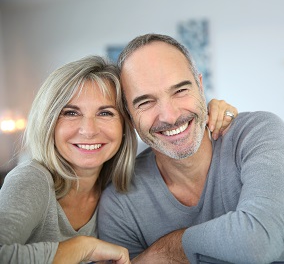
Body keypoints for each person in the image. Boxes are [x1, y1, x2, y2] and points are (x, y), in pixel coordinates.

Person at [98, 33, 284, 264]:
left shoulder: (256, 133)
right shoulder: (121, 202)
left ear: (200, 87)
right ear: (129, 117)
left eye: (180, 90)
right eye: (146, 102)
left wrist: (172, 247)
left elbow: (258, 242)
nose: (170, 116)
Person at [0, 55, 236, 263]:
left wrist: (212, 113)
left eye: (105, 113)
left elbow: (165, 133)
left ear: (126, 124)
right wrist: (83, 247)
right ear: (48, 120)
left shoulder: (117, 184)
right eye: (71, 113)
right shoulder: (32, 181)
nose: (89, 130)